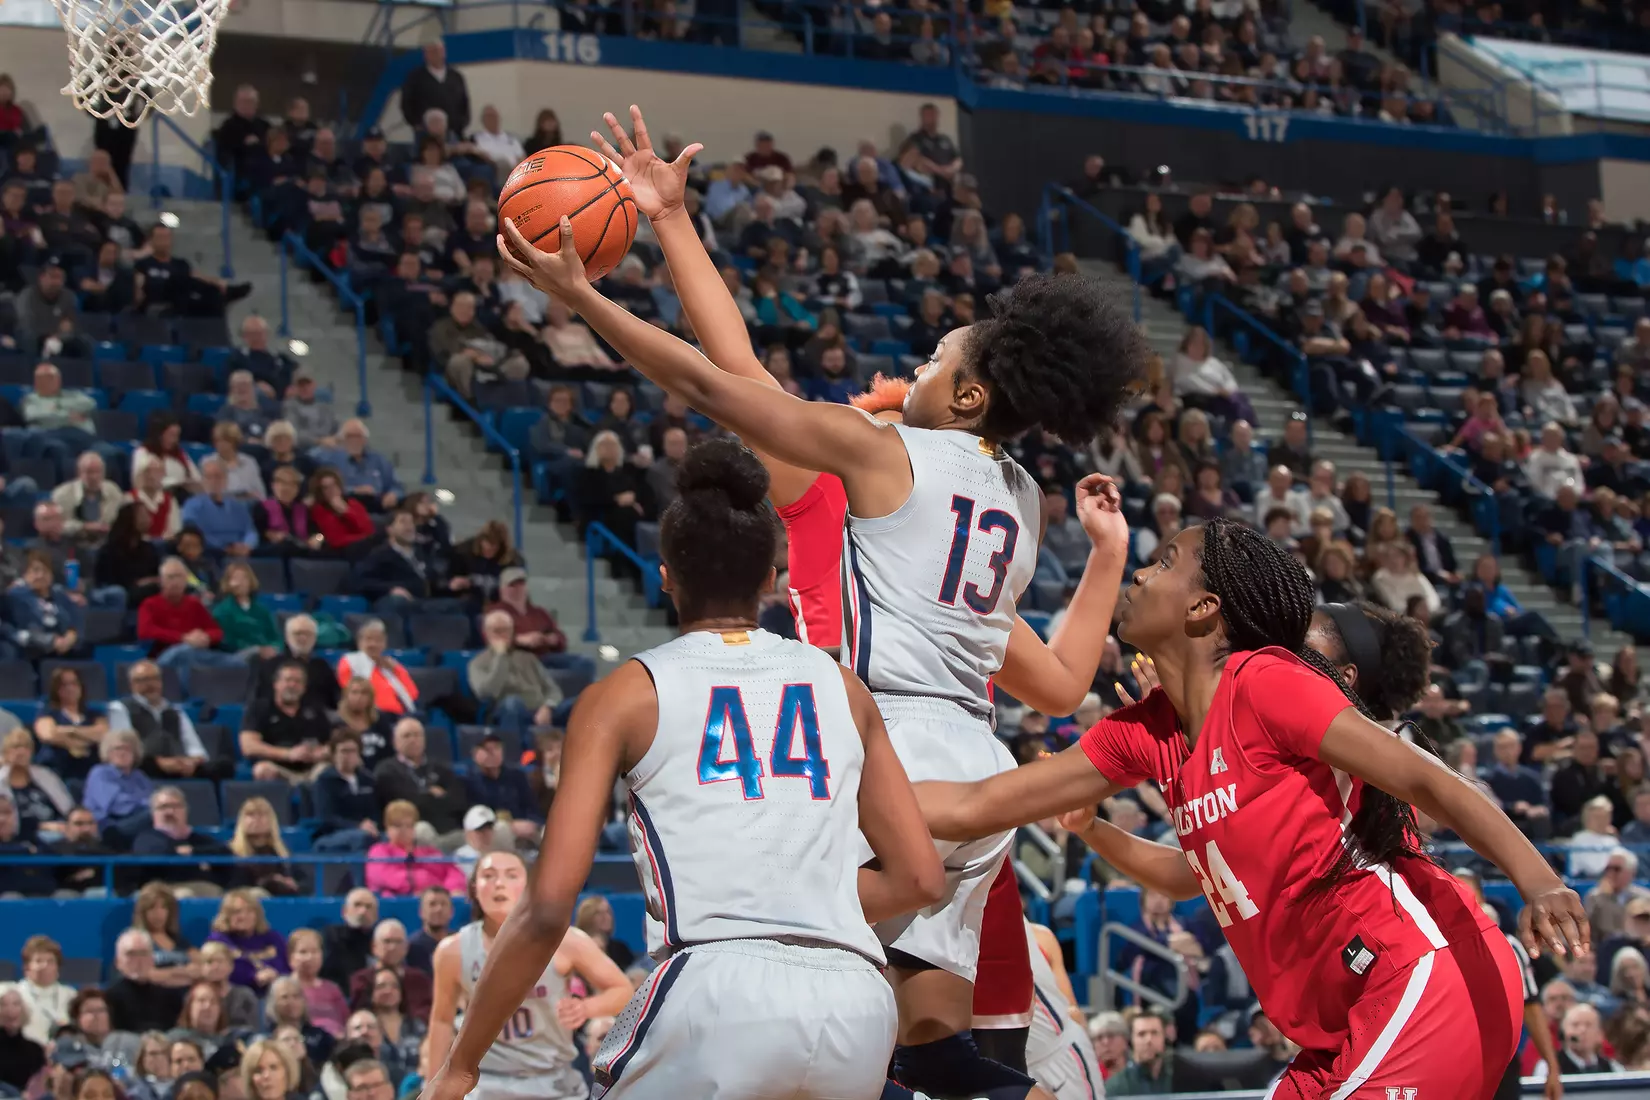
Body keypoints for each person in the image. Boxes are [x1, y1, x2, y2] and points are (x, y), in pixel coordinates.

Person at [498, 107, 1141, 1092]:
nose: (913, 374)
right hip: (977, 769)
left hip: (892, 762)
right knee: (928, 1047)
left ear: (967, 396)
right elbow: (1055, 680)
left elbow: (727, 386)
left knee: (755, 974)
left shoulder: (884, 455)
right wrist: (670, 221)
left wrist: (586, 297)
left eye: (933, 364)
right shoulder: (1020, 496)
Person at [917, 518, 1588, 1098]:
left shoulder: (1263, 682)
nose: (1144, 574)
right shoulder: (1146, 732)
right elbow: (983, 804)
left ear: (1203, 607)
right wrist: (845, 790)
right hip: (1338, 1027)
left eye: (1165, 562)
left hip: (1421, 974)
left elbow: (1428, 779)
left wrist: (1540, 879)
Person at [422, 440, 944, 1100]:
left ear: (665, 575)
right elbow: (922, 876)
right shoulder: (842, 688)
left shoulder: (624, 695)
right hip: (856, 1000)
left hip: (714, 986)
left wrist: (463, 1062)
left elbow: (550, 904)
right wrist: (805, 900)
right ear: (771, 578)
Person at [426, 850, 631, 1100]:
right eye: (488, 876)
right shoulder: (453, 951)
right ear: (474, 888)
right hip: (483, 1082)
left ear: (529, 886)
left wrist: (586, 1008)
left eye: (511, 875)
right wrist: (433, 1087)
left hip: (553, 1080)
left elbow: (623, 990)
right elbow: (442, 1022)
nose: (499, 883)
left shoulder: (564, 940)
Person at [139, 558, 246, 692]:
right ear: (162, 581)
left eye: (180, 577)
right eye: (170, 577)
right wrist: (183, 638)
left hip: (196, 651)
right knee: (185, 652)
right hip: (163, 656)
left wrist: (205, 637)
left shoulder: (194, 604)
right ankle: (191, 698)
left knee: (238, 662)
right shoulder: (150, 604)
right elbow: (145, 631)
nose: (175, 582)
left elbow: (216, 631)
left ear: (185, 580)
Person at [1023, 921, 1102, 1100]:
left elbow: (1069, 1005)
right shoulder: (959, 944)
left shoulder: (1041, 937)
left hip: (1058, 1053)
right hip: (1016, 1065)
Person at [109, 659, 213, 780]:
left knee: (222, 766)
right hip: (144, 768)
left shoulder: (176, 711)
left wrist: (191, 761)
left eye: (155, 679)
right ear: (132, 685)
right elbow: (125, 748)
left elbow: (196, 749)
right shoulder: (121, 708)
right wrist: (159, 762)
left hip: (180, 768)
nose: (150, 684)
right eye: (144, 680)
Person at [240, 662, 332, 783]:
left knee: (332, 769)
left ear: (304, 688)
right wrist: (288, 754)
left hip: (313, 770)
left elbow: (334, 741)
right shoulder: (259, 708)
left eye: (298, 681)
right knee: (262, 770)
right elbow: (248, 746)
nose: (292, 685)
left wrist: (323, 752)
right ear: (276, 684)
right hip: (279, 769)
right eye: (288, 680)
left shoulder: (315, 710)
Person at [364, 800, 465, 897]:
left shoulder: (429, 852)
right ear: (387, 827)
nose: (403, 830)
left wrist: (452, 890)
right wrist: (426, 881)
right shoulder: (379, 851)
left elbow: (453, 873)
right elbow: (385, 877)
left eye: (408, 826)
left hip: (433, 902)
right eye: (397, 825)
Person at [105, 929, 188, 1033]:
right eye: (131, 954)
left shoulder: (171, 995)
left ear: (152, 960)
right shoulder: (109, 998)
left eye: (143, 953)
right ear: (118, 962)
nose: (139, 960)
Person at [405, 886, 453, 974]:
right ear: (421, 912)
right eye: (432, 904)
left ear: (451, 912)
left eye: (443, 904)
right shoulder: (412, 947)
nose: (439, 909)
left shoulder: (459, 943)